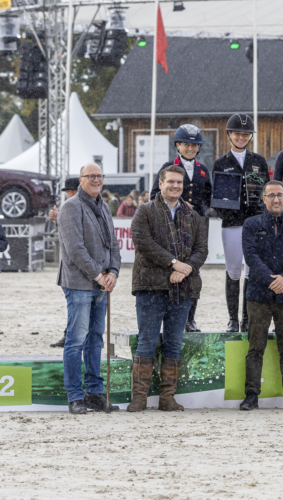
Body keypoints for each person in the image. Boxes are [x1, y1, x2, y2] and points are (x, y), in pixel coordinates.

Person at [127, 166, 209, 412]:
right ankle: (139, 397)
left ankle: (167, 397)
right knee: (147, 342)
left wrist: (184, 269)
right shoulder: (145, 211)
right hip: (150, 287)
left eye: (179, 182)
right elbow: (143, 242)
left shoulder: (193, 216)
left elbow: (202, 250)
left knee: (174, 343)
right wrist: (173, 263)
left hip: (183, 289)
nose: (175, 186)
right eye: (171, 181)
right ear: (160, 184)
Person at [239, 180, 283, 411]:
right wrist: (272, 280)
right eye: (271, 195)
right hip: (258, 294)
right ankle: (251, 395)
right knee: (255, 347)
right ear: (264, 198)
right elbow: (251, 257)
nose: (276, 200)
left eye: (280, 195)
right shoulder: (251, 224)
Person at [57, 163, 121, 414]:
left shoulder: (103, 206)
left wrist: (113, 272)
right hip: (80, 283)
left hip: (102, 283)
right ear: (81, 180)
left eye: (99, 176)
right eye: (91, 176)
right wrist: (98, 275)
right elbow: (75, 249)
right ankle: (75, 396)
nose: (96, 180)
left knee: (95, 339)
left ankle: (94, 393)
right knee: (75, 340)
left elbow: (114, 244)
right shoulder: (70, 207)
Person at [150, 124, 213, 333]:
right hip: (173, 225)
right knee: (175, 268)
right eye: (186, 144)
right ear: (178, 145)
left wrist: (204, 209)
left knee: (194, 271)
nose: (190, 149)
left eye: (194, 145)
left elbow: (208, 198)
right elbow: (154, 196)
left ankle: (190, 318)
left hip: (196, 227)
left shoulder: (203, 170)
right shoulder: (168, 167)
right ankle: (171, 316)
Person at [212, 114, 269, 333]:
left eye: (245, 134)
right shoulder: (221, 163)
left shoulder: (259, 161)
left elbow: (264, 190)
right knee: (233, 271)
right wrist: (225, 208)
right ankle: (232, 318)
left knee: (251, 272)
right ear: (230, 135)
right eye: (238, 133)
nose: (241, 137)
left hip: (254, 222)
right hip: (232, 223)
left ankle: (246, 317)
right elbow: (217, 195)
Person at [48, 177, 80, 349]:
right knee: (76, 305)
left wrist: (60, 218)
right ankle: (71, 334)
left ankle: (71, 335)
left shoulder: (74, 206)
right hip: (71, 265)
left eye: (69, 191)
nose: (68, 194)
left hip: (75, 267)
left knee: (76, 305)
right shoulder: (72, 207)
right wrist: (59, 219)